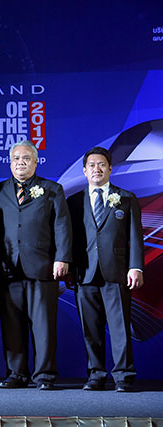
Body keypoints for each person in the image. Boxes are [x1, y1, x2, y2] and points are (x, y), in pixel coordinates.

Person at [0, 140, 72, 390]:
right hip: (7, 267)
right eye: (16, 158)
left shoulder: (52, 189)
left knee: (44, 325)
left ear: (36, 161)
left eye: (26, 158)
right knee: (11, 324)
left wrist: (62, 258)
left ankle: (44, 375)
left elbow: (62, 225)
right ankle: (16, 373)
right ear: (9, 163)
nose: (20, 163)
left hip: (43, 266)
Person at [66, 147, 144, 392]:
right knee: (91, 329)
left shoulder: (126, 198)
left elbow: (135, 236)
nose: (96, 169)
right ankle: (96, 375)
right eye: (91, 165)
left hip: (117, 271)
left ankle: (123, 376)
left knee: (120, 327)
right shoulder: (74, 201)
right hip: (85, 272)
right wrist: (69, 269)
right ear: (84, 171)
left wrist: (135, 267)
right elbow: (68, 239)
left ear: (110, 168)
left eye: (101, 164)